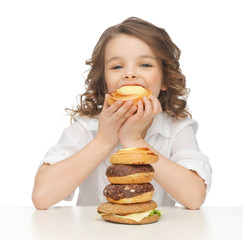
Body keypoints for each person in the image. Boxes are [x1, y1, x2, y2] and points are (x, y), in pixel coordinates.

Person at [32, 17, 212, 210]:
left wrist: (135, 141)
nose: (130, 74)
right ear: (104, 82)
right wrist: (103, 139)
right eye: (117, 66)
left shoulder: (176, 129)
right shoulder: (86, 128)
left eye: (145, 65)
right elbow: (42, 197)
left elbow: (194, 197)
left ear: (164, 80)